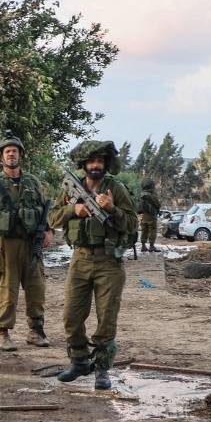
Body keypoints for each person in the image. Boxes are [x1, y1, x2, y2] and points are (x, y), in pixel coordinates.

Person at [48, 140, 137, 390]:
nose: (95, 165)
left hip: (109, 261)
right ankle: (79, 362)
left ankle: (101, 369)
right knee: (71, 316)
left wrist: (112, 209)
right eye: (91, 161)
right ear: (84, 164)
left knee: (106, 318)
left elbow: (132, 224)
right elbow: (52, 218)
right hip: (80, 259)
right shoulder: (70, 188)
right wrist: (73, 210)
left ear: (105, 163)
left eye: (100, 161)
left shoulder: (115, 189)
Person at [0, 133, 53, 351]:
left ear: (20, 155)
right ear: (2, 157)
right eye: (7, 151)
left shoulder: (33, 182)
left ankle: (36, 332)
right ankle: (2, 332)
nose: (11, 154)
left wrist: (49, 232)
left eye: (15, 151)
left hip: (31, 244)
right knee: (7, 292)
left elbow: (44, 210)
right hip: (6, 245)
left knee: (37, 289)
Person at [138, 178, 161, 252]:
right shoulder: (152, 194)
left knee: (144, 231)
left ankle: (143, 246)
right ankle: (151, 246)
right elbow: (157, 204)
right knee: (152, 231)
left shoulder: (141, 194)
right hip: (152, 216)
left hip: (144, 216)